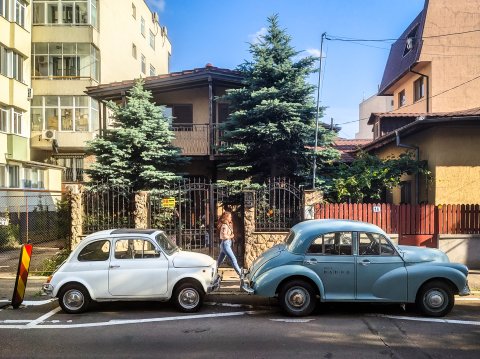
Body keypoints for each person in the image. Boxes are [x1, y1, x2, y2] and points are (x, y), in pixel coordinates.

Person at [216, 211, 242, 277]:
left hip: (226, 244)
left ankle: (212, 271)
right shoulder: (224, 226)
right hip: (225, 244)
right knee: (233, 259)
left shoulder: (227, 224)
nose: (231, 218)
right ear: (226, 217)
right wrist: (231, 236)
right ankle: (240, 273)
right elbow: (224, 236)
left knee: (219, 261)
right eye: (230, 217)